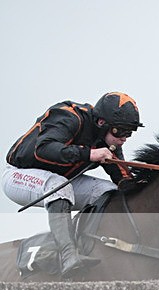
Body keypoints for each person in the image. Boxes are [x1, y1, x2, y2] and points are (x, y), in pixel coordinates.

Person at [3, 92, 144, 277]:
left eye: (129, 133)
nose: (124, 138)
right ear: (101, 123)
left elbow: (123, 178)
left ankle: (87, 244)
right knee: (59, 185)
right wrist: (89, 154)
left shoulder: (109, 139)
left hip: (61, 181)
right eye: (120, 131)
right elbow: (43, 149)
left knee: (108, 191)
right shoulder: (70, 116)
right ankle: (67, 254)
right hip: (19, 174)